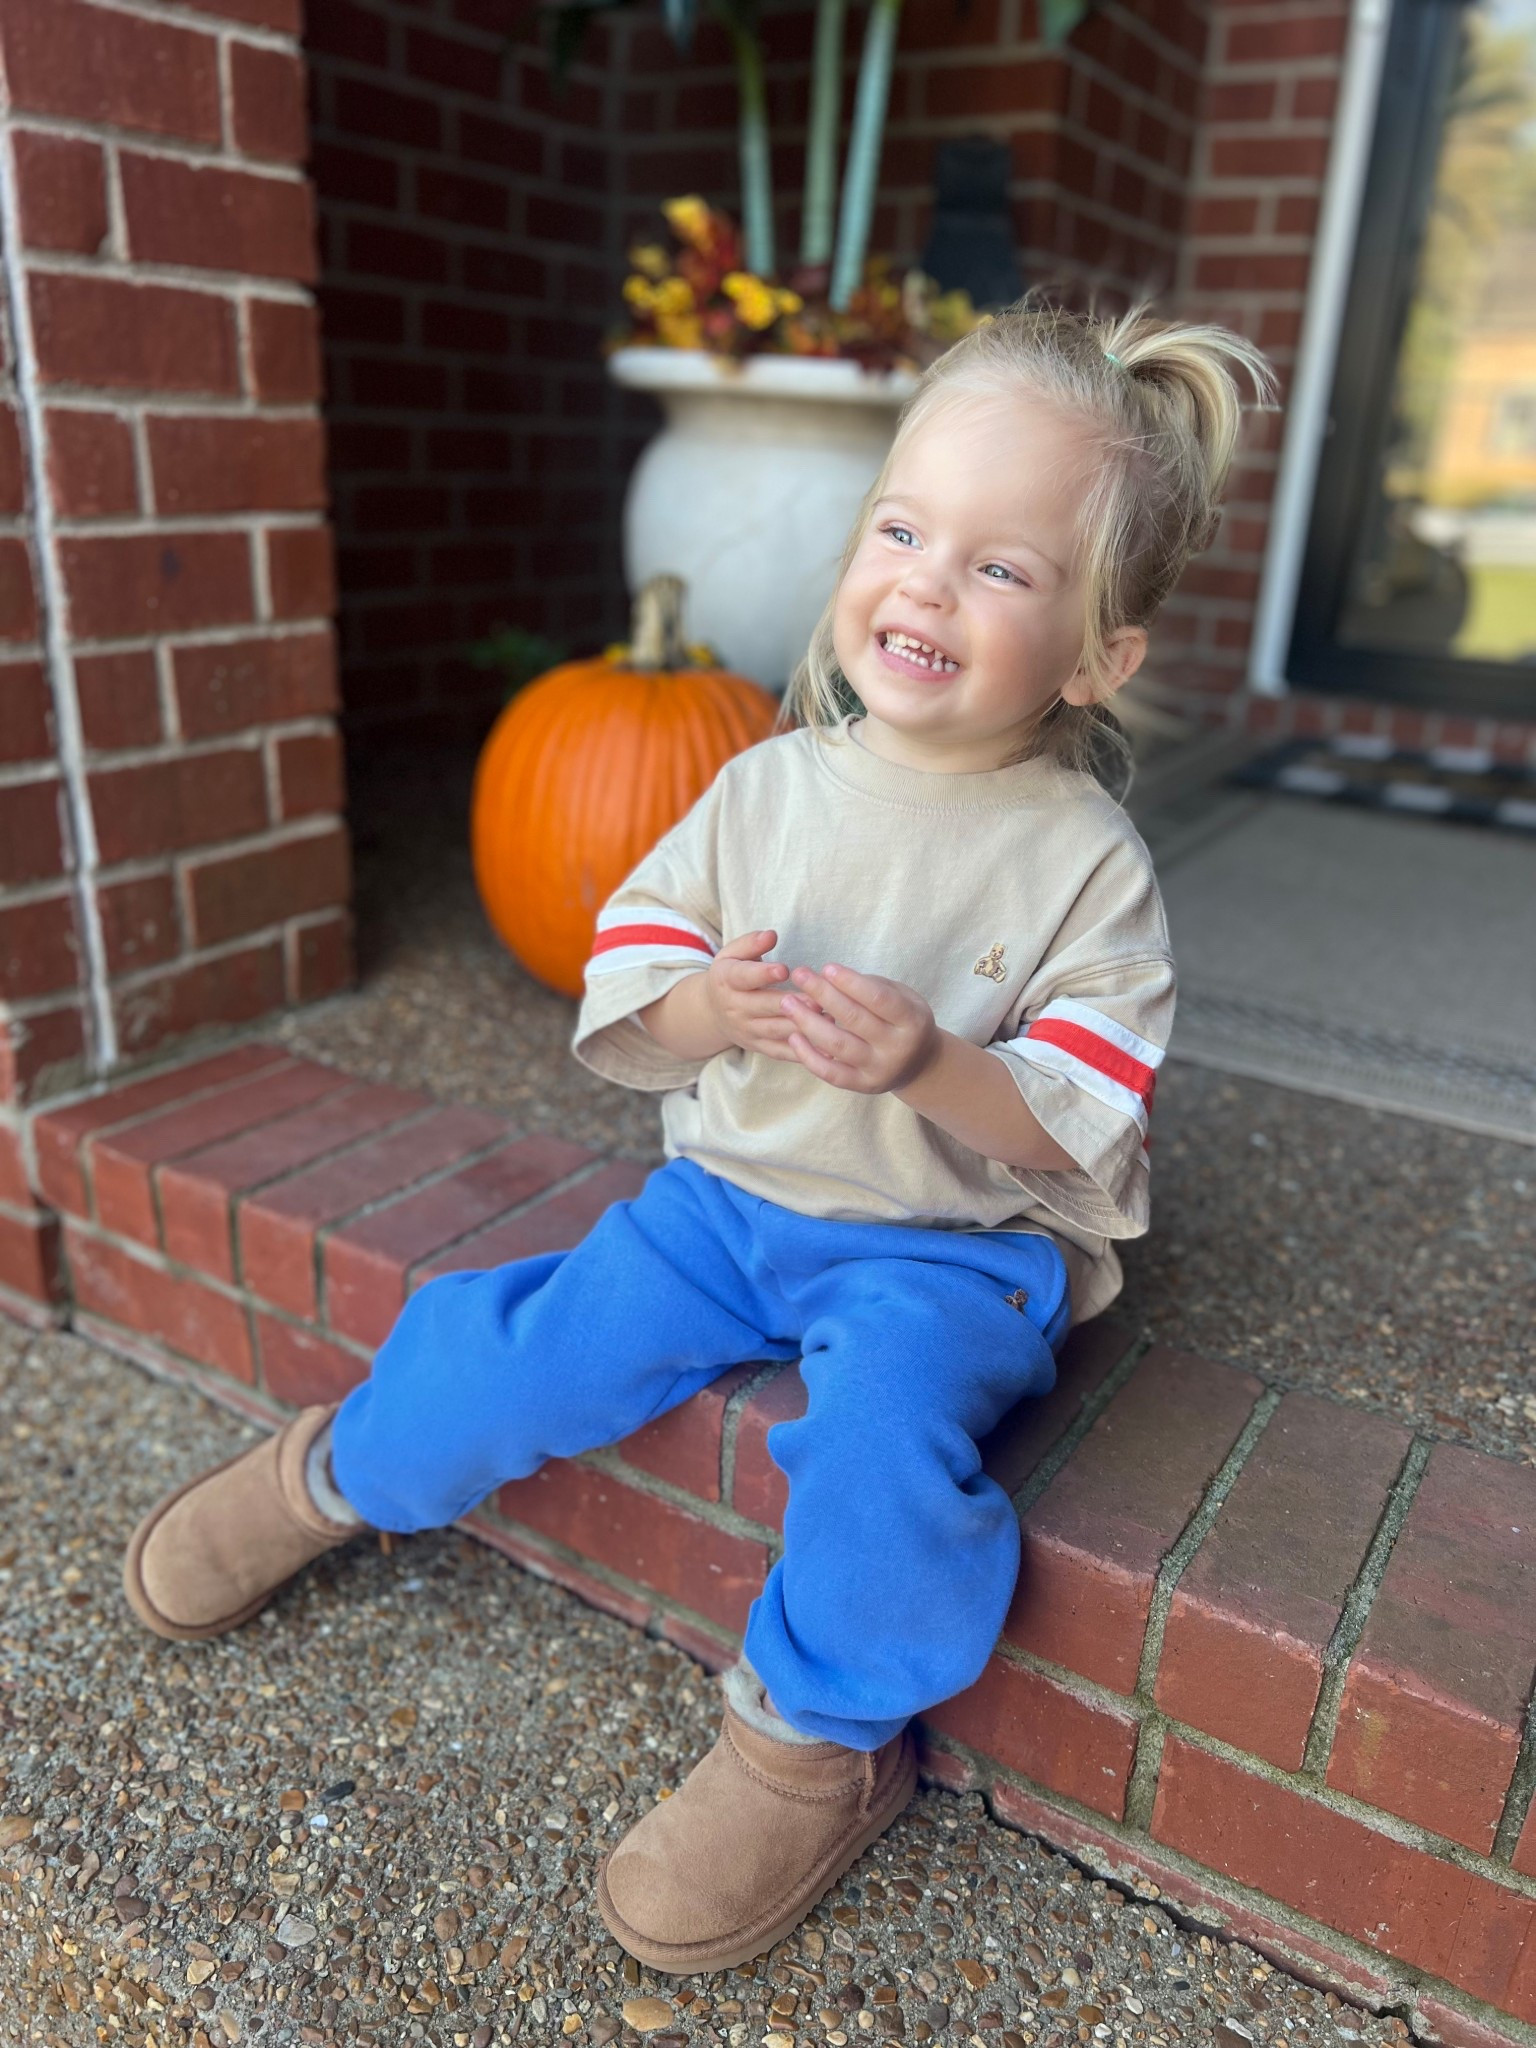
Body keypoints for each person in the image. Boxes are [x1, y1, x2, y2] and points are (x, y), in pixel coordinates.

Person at [121, 293, 1278, 1977]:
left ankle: (818, 1736)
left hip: (947, 1246)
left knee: (883, 1438)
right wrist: (707, 1016)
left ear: (1102, 656)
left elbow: (1080, 1112)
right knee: (530, 1349)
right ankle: (343, 1468)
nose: (928, 583)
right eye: (903, 528)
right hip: (728, 1198)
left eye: (1003, 568)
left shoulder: (1082, 862)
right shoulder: (766, 783)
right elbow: (637, 975)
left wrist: (938, 1064)